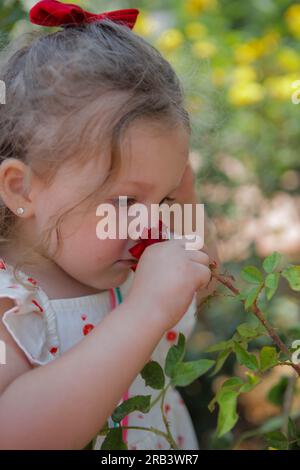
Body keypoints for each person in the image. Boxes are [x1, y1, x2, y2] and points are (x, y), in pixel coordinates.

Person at [0, 1, 218, 450]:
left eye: (166, 197)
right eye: (125, 201)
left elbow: (206, 275)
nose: (155, 222)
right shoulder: (13, 307)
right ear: (22, 190)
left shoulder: (126, 264)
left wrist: (189, 199)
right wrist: (144, 312)